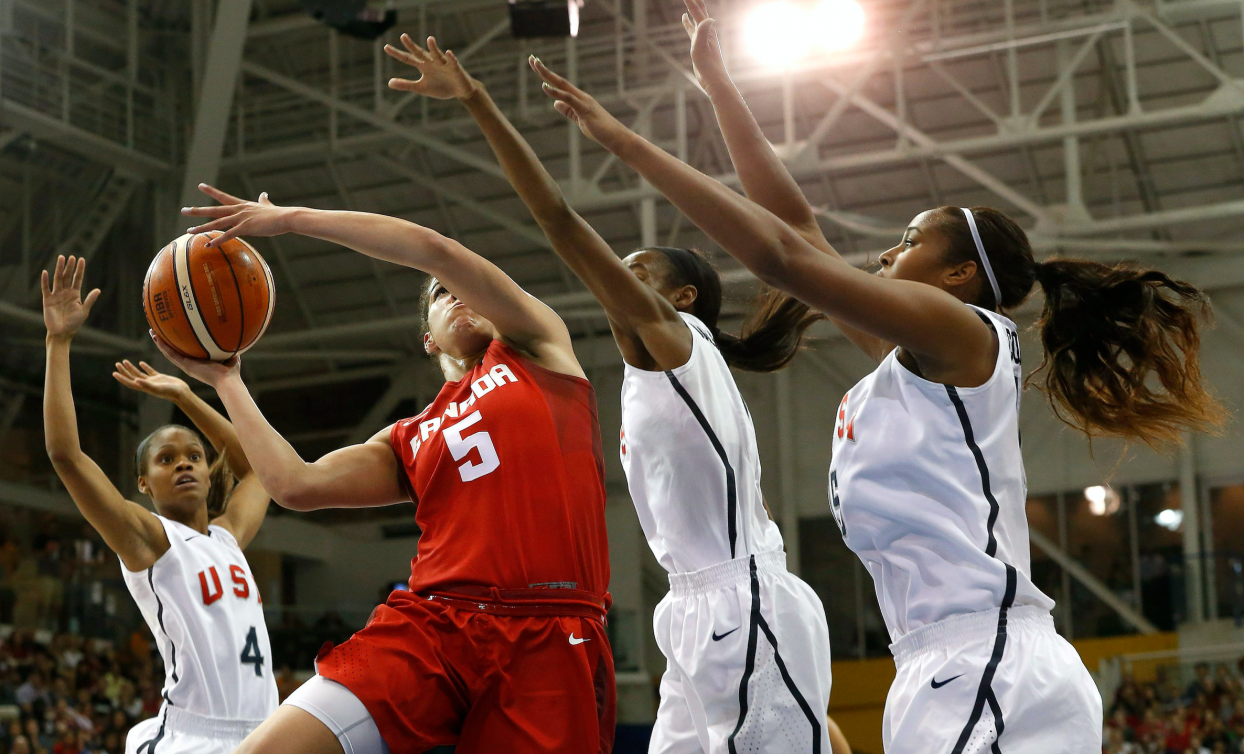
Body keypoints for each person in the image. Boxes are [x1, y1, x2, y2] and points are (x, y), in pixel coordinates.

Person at [527, 1, 1226, 749]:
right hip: (937, 662)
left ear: (960, 274)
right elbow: (797, 231)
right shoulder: (917, 362)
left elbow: (781, 259)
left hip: (987, 660)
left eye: (910, 239)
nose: (890, 253)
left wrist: (623, 141)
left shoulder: (965, 333)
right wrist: (717, 83)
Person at [381, 34, 833, 754]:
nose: (618, 277)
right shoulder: (672, 373)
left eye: (636, 269)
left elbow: (559, 219)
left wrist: (479, 103)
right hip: (696, 609)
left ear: (682, 296)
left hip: (740, 601)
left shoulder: (674, 338)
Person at [175, 184, 614, 754]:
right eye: (440, 293)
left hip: (548, 633)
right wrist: (227, 381)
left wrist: (289, 218)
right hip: (433, 625)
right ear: (428, 340)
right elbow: (295, 485)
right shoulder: (408, 435)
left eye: (463, 285)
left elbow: (435, 249)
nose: (457, 292)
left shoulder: (539, 349)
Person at [42, 255, 278, 754]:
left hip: (264, 736)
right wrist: (58, 342)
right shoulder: (151, 539)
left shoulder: (228, 535)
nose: (185, 464)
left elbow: (257, 468)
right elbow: (66, 455)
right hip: (191, 740)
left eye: (194, 455)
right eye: (166, 460)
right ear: (144, 484)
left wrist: (188, 396)